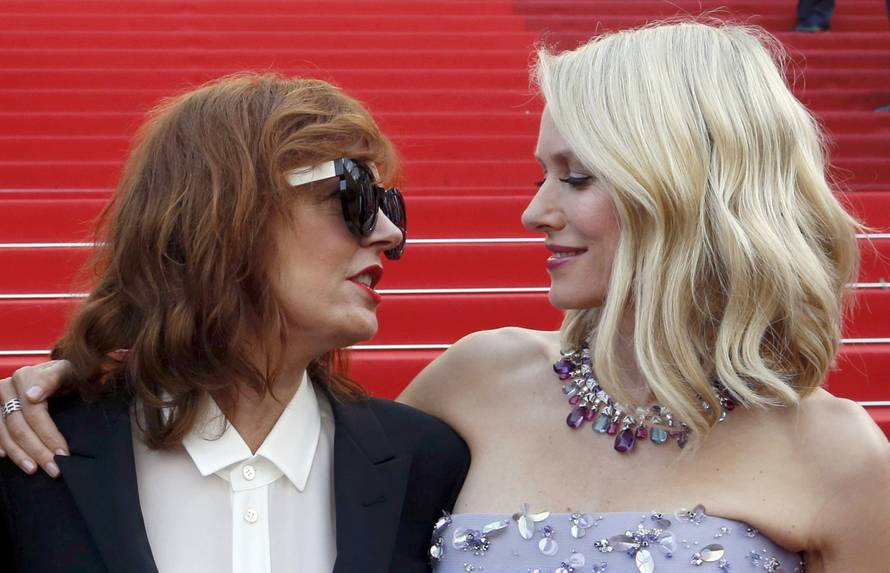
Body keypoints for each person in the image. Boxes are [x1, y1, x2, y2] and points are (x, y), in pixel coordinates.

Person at [4, 21, 890, 573]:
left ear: (690, 192)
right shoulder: (475, 386)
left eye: (575, 177)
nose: (534, 209)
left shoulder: (841, 460)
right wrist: (75, 379)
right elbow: (278, 433)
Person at [0, 73, 469, 572]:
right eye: (353, 195)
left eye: (390, 205)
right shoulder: (37, 461)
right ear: (225, 211)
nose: (389, 233)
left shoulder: (427, 465)